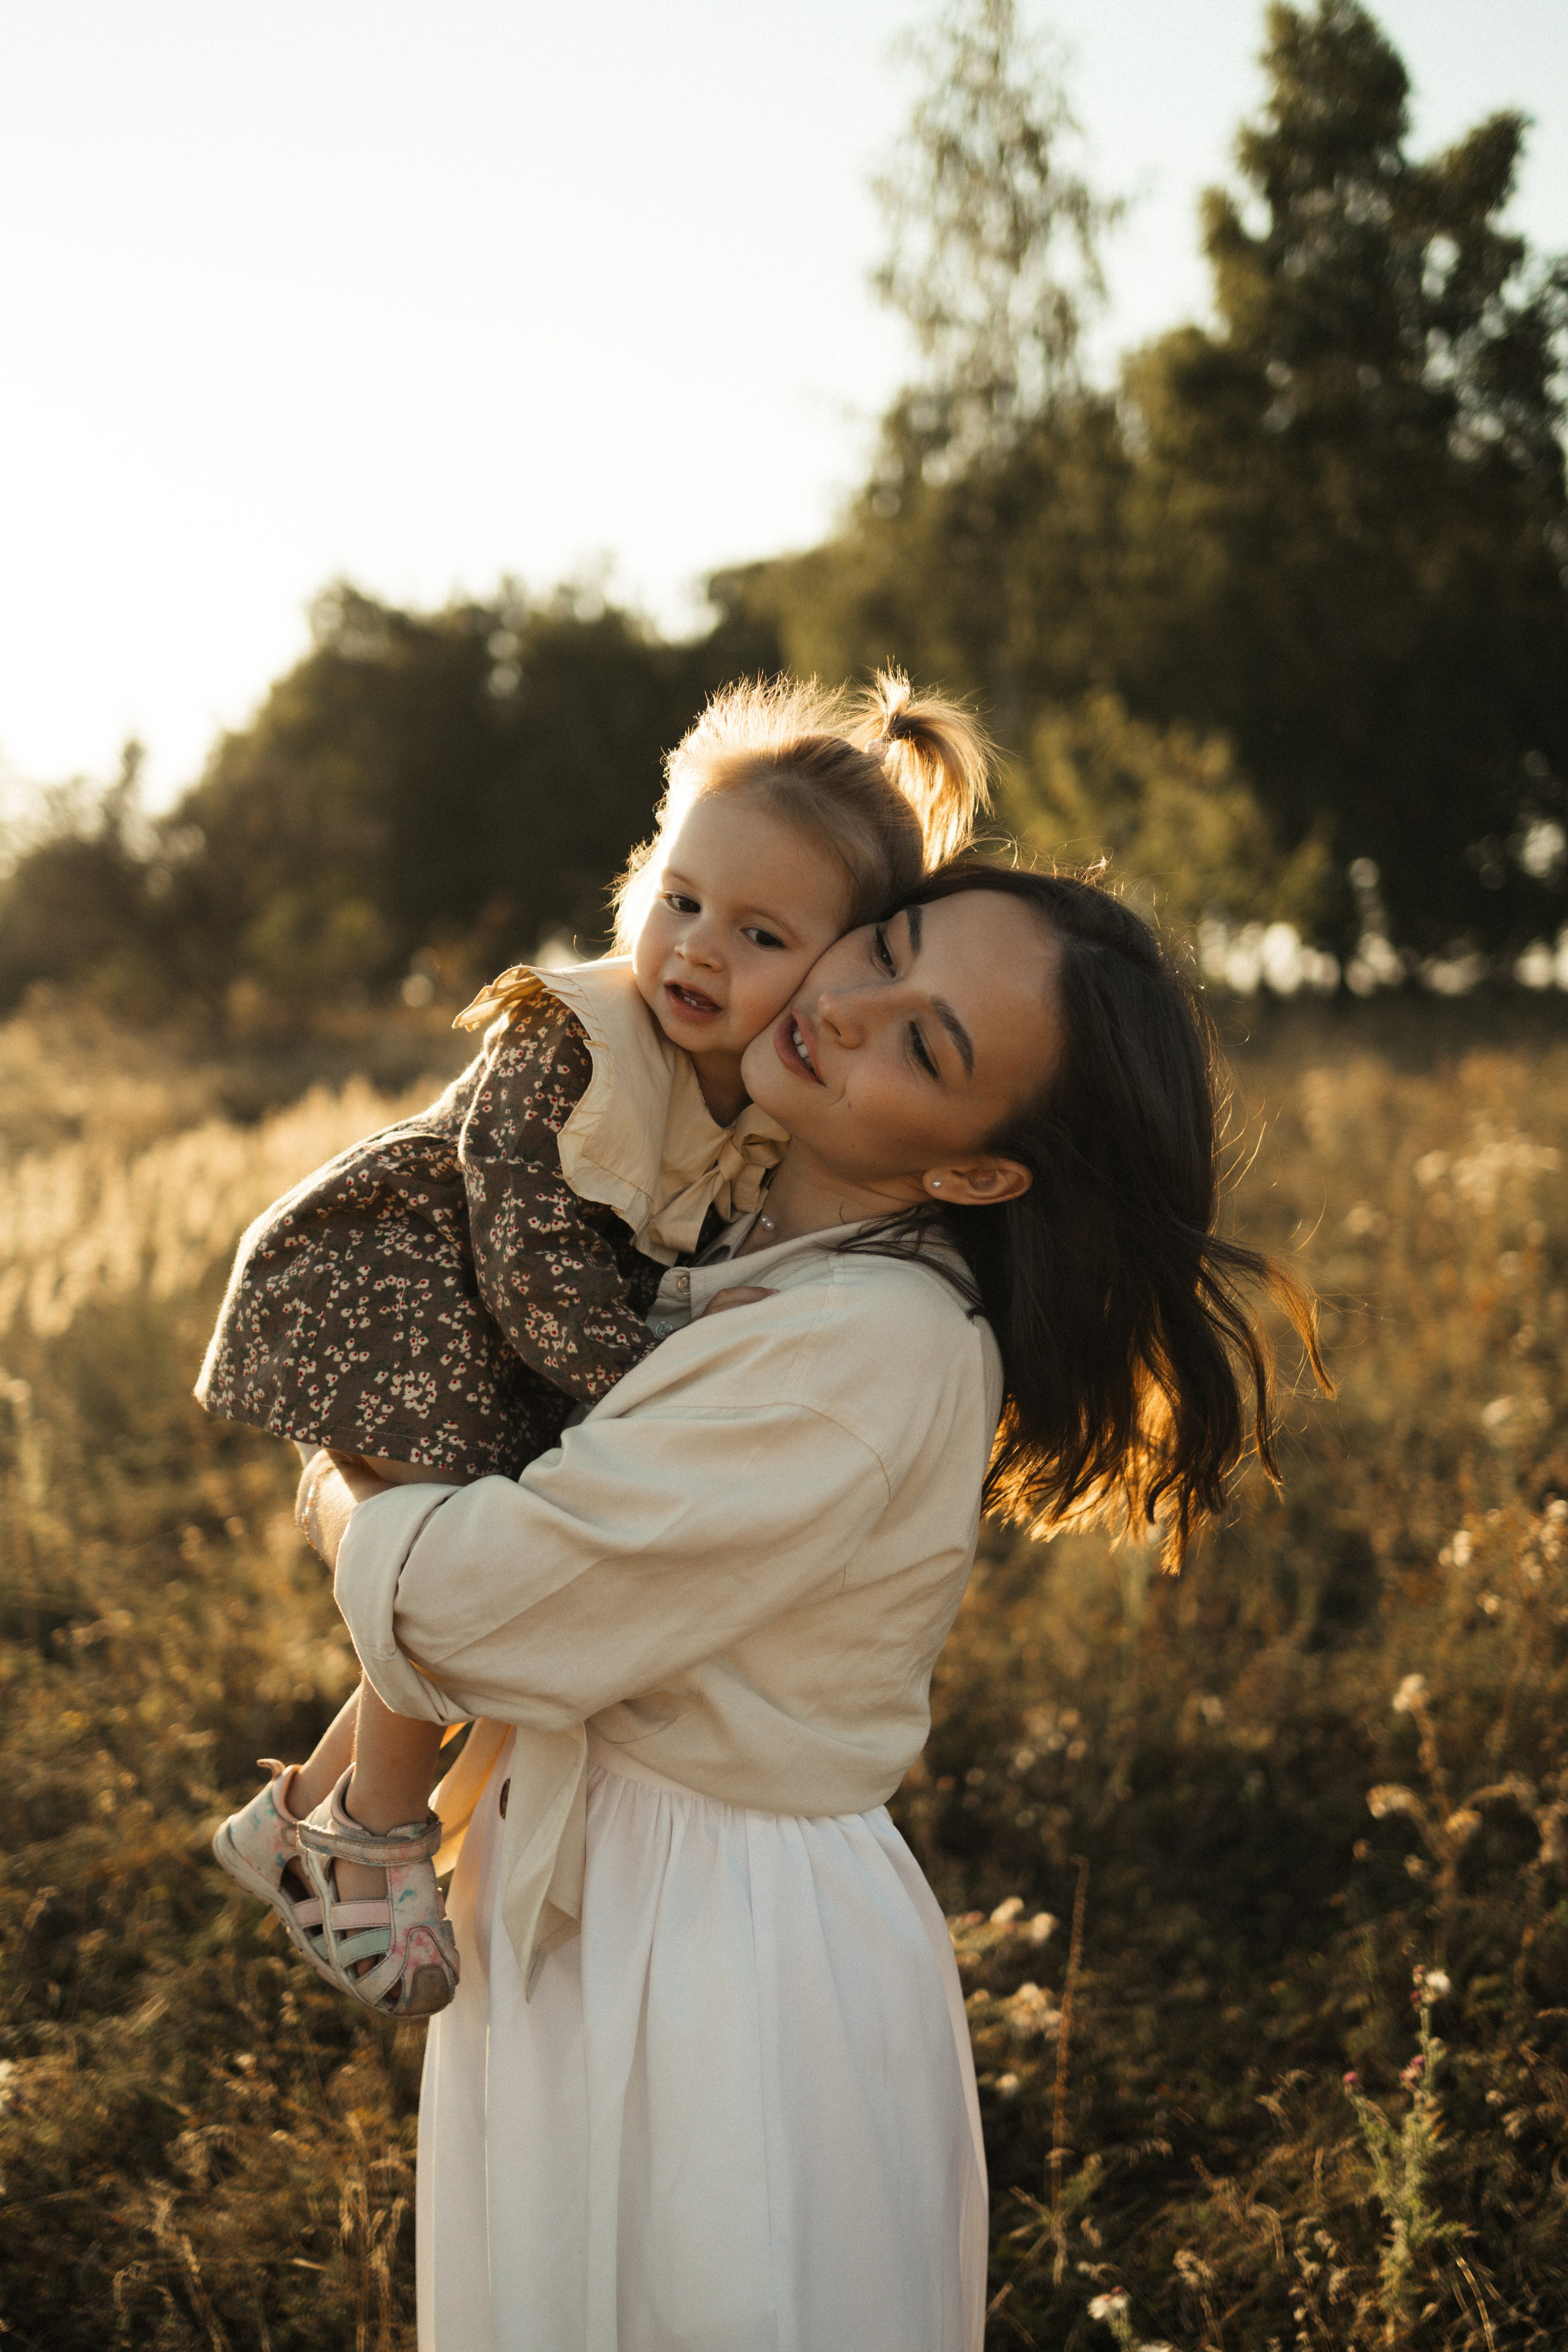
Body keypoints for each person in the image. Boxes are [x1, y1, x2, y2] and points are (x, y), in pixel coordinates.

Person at [295, 860, 1325, 2352]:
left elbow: (464, 1616)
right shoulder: (730, 1235)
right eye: (883, 950)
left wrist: (342, 1475)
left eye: (925, 1044)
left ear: (976, 1172)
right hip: (593, 1895)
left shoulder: (870, 1348)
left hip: (717, 1958)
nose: (845, 1008)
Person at [203, 671, 990, 2019]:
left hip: (496, 1343)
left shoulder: (760, 1112)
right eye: (678, 898)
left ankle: (299, 1823)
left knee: (477, 1574)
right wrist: (633, 1385)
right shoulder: (569, 1035)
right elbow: (518, 1245)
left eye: (756, 935)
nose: (694, 949)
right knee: (450, 1559)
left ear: (826, 967)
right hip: (404, 1308)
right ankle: (366, 1837)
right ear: (641, 875)